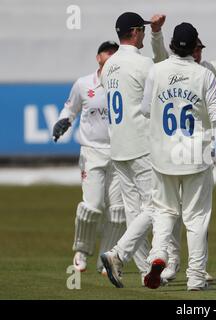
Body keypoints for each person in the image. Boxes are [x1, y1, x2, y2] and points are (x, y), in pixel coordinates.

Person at [141, 22, 216, 291]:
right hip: (195, 156)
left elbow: (145, 110)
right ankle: (196, 278)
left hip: (162, 155)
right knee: (196, 219)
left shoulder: (156, 70)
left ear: (172, 46)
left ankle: (158, 256)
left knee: (165, 212)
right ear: (194, 48)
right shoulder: (203, 75)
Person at [99, 12, 167, 287]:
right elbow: (165, 70)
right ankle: (118, 253)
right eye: (144, 31)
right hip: (142, 145)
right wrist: (158, 35)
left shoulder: (108, 65)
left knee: (133, 210)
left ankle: (142, 270)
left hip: (118, 146)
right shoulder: (143, 64)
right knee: (158, 206)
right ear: (137, 32)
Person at [53, 41, 126, 275]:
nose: (111, 57)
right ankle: (82, 251)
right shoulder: (84, 84)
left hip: (119, 152)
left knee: (117, 210)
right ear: (98, 57)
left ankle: (107, 258)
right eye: (107, 53)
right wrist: (63, 121)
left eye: (115, 54)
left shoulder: (126, 83)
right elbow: (70, 109)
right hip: (92, 151)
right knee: (93, 207)